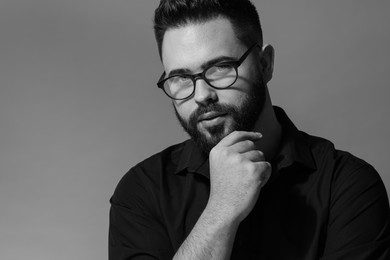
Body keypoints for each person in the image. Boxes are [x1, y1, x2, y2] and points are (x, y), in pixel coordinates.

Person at [109, 0, 390, 259]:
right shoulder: (141, 192)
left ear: (265, 64)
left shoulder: (347, 185)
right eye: (181, 77)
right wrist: (220, 211)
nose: (201, 95)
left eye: (220, 67)